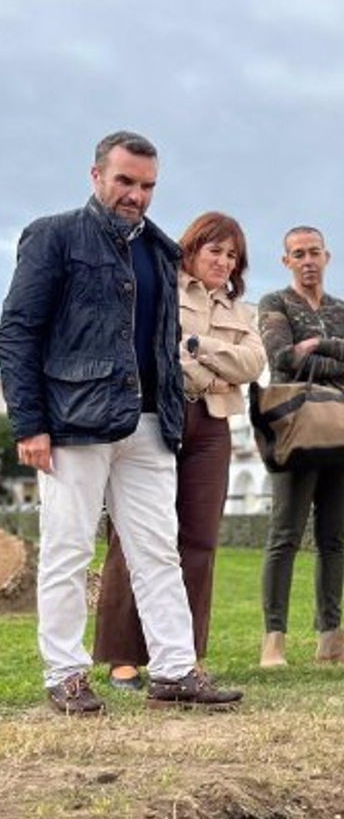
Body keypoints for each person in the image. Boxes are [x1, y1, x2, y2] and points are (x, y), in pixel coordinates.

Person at [0, 131, 242, 714]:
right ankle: (65, 675)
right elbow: (18, 331)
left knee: (158, 550)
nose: (135, 194)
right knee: (67, 549)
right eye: (125, 181)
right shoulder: (53, 236)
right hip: (72, 424)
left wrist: (173, 421)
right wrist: (29, 423)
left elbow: (161, 343)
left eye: (147, 185)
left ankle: (176, 670)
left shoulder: (160, 249)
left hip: (150, 424)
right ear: (96, 176)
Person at [93, 212, 266, 688]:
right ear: (191, 248)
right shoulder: (162, 289)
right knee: (136, 535)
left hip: (212, 426)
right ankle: (123, 656)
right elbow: (158, 351)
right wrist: (212, 367)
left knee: (199, 541)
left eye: (233, 255)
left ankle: (183, 657)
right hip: (157, 417)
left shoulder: (239, 310)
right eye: (215, 250)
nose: (224, 262)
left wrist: (196, 346)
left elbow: (254, 362)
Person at [257, 226, 344, 668]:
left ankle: (331, 637)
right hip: (295, 426)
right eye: (298, 254)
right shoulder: (274, 304)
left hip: (342, 426)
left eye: (314, 252)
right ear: (286, 260)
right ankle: (273, 639)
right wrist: (340, 358)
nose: (307, 260)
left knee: (335, 537)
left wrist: (321, 344)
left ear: (326, 256)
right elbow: (282, 357)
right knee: (285, 534)